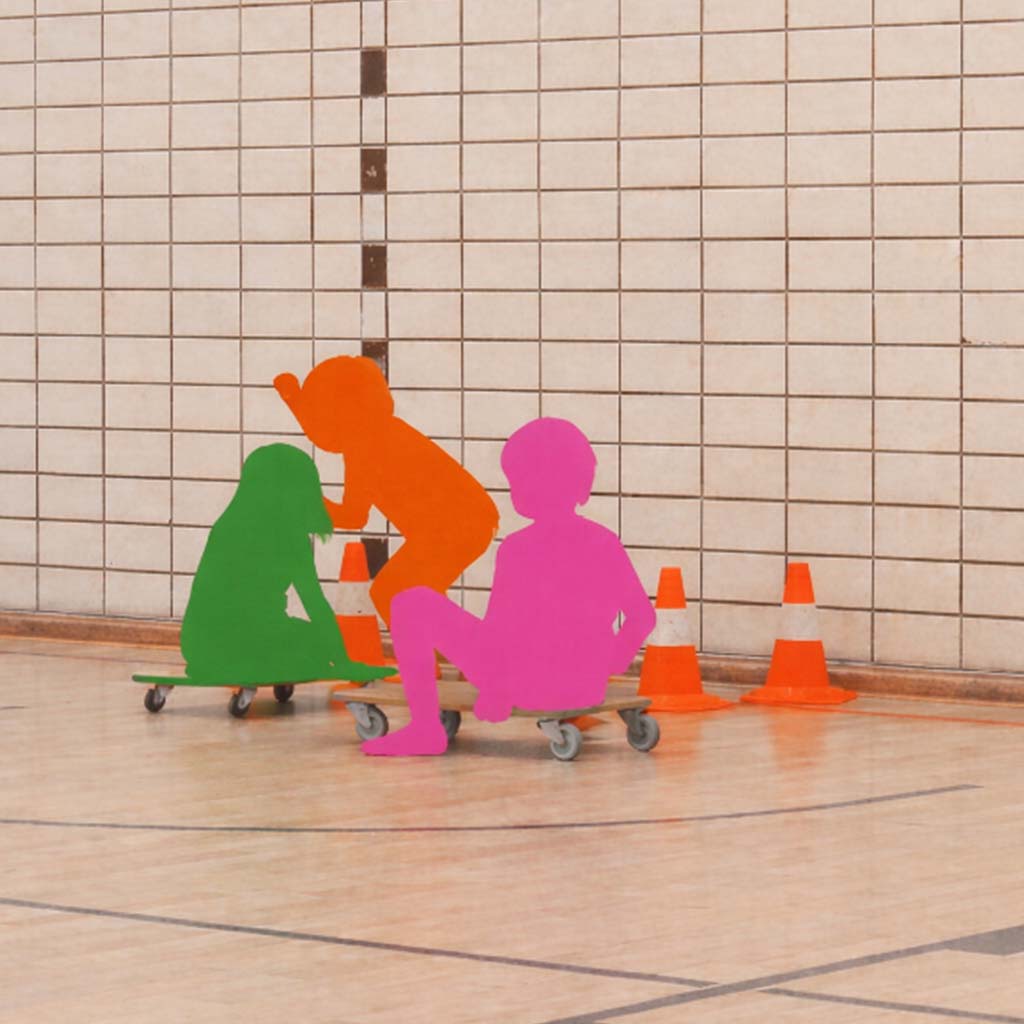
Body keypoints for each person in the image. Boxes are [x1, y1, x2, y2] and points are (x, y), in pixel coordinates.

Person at [361, 418, 656, 756]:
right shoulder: (604, 543)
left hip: (528, 687)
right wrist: (609, 664)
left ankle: (425, 729)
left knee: (410, 604)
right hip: (586, 687)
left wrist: (496, 692)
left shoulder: (519, 549)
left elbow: (504, 633)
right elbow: (642, 617)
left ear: (528, 486)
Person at [274, 356, 498, 625]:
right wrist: (293, 399)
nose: (311, 431)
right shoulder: (381, 430)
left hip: (456, 526)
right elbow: (322, 428)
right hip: (466, 520)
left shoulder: (363, 448)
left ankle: (464, 643)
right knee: (408, 593)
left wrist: (305, 501)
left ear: (337, 414)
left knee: (391, 593)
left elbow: (354, 516)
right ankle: (457, 644)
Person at [180, 443, 395, 685]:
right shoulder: (290, 536)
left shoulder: (226, 525)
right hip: (250, 643)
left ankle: (236, 662)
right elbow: (314, 603)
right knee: (315, 642)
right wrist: (342, 661)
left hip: (197, 646)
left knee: (293, 639)